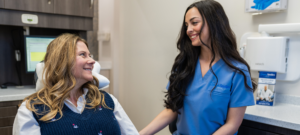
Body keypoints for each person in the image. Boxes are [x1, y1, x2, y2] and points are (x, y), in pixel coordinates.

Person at [139, 0, 257, 135]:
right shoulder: (184, 64)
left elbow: (232, 124)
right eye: (186, 25)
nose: (188, 30)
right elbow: (172, 109)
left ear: (214, 23)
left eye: (194, 23)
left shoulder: (237, 72)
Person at [13, 33, 138, 135]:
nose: (92, 61)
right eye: (83, 55)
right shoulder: (32, 109)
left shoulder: (108, 101)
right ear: (61, 61)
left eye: (90, 55)